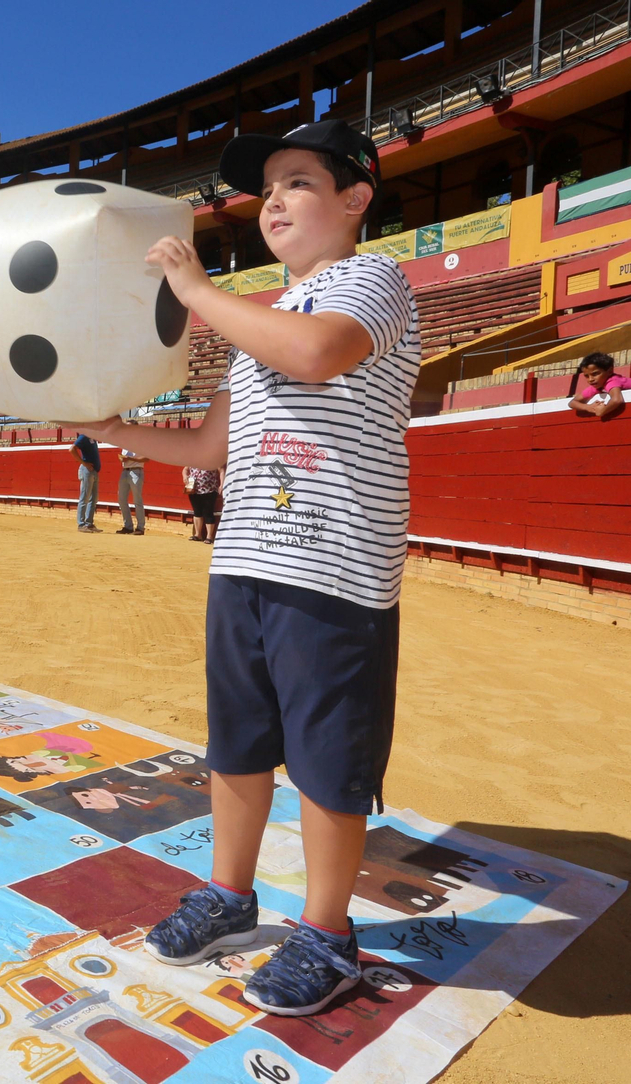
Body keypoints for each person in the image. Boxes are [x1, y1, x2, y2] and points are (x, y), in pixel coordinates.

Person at [74, 119, 420, 1016]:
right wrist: (113, 433)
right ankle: (230, 894)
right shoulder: (256, 321)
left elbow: (316, 352)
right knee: (238, 744)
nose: (273, 199)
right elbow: (210, 444)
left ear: (355, 199)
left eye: (298, 181)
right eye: (267, 187)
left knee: (327, 763)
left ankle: (328, 934)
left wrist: (194, 287)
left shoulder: (372, 280)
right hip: (246, 559)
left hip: (335, 571)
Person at [568, 351, 631, 419]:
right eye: (586, 376)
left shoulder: (612, 381)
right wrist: (588, 407)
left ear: (609, 371)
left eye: (595, 374)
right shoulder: (597, 385)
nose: (590, 379)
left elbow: (617, 400)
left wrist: (602, 411)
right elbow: (572, 403)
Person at [117, 422, 148, 535]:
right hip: (125, 471)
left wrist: (130, 458)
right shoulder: (125, 442)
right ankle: (128, 526)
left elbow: (147, 458)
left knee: (137, 500)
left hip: (136, 471)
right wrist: (123, 459)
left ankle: (140, 528)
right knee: (121, 499)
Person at [72, 431, 101, 533]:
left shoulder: (92, 436)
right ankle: (81, 524)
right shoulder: (84, 436)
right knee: (84, 498)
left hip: (94, 471)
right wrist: (84, 463)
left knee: (93, 499)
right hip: (87, 471)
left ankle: (89, 523)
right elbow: (72, 449)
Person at [184, 465, 220, 543]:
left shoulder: (212, 460)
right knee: (197, 512)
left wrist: (222, 484)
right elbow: (185, 469)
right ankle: (198, 534)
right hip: (193, 489)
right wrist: (185, 476)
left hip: (210, 489)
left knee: (208, 512)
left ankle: (209, 537)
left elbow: (221, 470)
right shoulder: (192, 458)